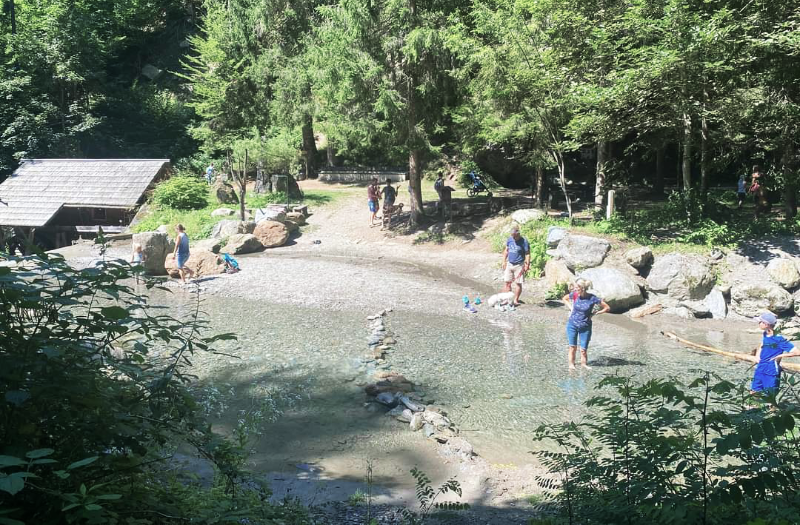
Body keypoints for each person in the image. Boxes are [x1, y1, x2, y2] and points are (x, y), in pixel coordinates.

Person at [562, 278, 610, 371]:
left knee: (583, 349)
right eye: (575, 288)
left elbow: (607, 307)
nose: (575, 289)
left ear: (582, 288)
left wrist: (595, 313)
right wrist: (571, 308)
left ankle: (584, 364)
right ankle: (571, 365)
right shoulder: (575, 295)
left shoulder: (592, 298)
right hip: (572, 324)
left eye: (577, 288)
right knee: (572, 347)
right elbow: (564, 298)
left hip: (585, 326)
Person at [751, 311, 800, 395]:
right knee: (754, 390)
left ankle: (771, 408)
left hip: (771, 370)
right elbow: (762, 344)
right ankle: (752, 407)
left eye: (760, 322)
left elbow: (797, 352)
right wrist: (757, 355)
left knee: (770, 394)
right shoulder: (765, 334)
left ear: (766, 324)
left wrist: (780, 355)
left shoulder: (779, 339)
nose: (758, 323)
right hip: (761, 366)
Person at [501, 226, 530, 307]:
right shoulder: (510, 239)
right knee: (507, 283)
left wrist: (527, 264)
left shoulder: (524, 241)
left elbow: (527, 253)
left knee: (518, 283)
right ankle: (506, 300)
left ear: (518, 234)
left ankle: (515, 300)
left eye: (514, 236)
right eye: (512, 235)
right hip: (510, 263)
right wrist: (504, 261)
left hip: (519, 265)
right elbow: (506, 250)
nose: (513, 237)